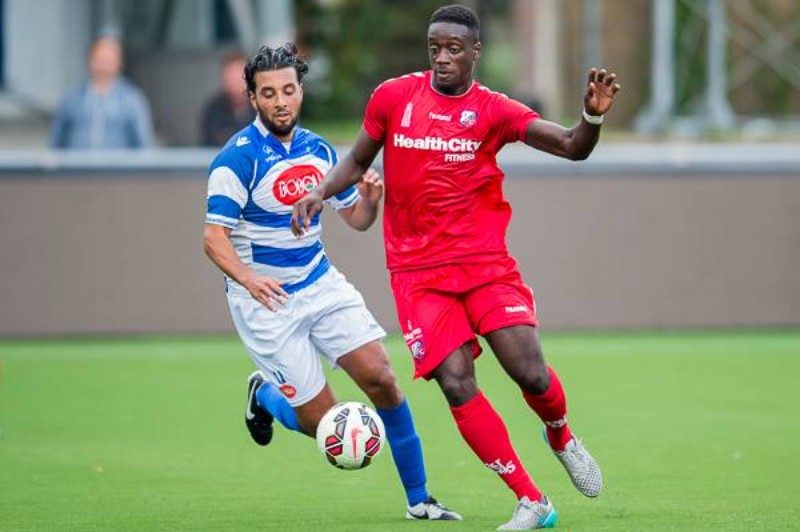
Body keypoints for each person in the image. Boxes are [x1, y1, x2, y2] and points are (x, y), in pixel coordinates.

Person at [291, 5, 621, 530]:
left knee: (529, 372)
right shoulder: (393, 97)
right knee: (455, 381)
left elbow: (571, 146)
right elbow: (356, 160)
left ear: (475, 53)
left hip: (484, 265)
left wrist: (593, 117)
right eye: (434, 48)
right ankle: (532, 500)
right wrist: (319, 190)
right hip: (417, 273)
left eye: (453, 49)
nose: (442, 58)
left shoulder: (493, 110)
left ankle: (559, 433)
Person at [202, 43, 460, 522]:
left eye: (288, 90)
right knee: (326, 424)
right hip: (266, 303)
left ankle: (420, 500)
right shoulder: (236, 160)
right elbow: (212, 238)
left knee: (384, 380)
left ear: (301, 91)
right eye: (268, 93)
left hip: (320, 284)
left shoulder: (319, 150)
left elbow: (358, 220)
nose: (281, 101)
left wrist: (371, 198)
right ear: (253, 99)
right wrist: (250, 279)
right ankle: (264, 395)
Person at [50, 36, 154, 149]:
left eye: (108, 61)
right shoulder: (71, 99)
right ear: (90, 60)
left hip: (116, 166)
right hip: (79, 166)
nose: (103, 66)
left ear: (119, 63)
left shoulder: (132, 101)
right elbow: (56, 143)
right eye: (99, 60)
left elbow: (143, 145)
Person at [200, 52, 254, 147]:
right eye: (231, 80)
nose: (236, 86)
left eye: (239, 79)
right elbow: (210, 145)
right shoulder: (214, 110)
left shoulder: (264, 109)